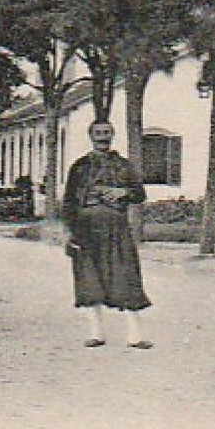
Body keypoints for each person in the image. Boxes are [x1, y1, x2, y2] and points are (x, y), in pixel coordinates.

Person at [62, 120, 152, 349]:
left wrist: (123, 191)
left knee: (126, 276)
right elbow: (69, 202)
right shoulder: (79, 167)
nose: (102, 137)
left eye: (107, 132)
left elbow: (140, 194)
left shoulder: (124, 166)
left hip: (116, 227)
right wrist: (70, 232)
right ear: (90, 136)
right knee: (89, 278)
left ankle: (135, 335)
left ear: (113, 135)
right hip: (86, 227)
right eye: (98, 133)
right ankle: (96, 333)